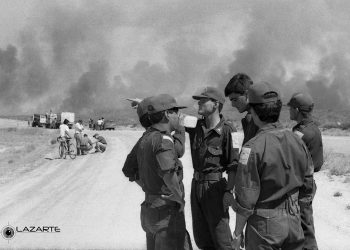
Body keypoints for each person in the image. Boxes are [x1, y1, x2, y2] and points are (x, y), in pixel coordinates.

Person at [232, 82, 315, 250]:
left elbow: (246, 199)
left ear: (254, 112)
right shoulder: (297, 141)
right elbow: (308, 184)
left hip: (265, 227)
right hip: (294, 221)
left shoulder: (252, 147)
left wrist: (237, 232)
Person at [134, 94, 192, 250]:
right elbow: (168, 173)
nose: (178, 115)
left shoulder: (145, 138)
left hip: (150, 210)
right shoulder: (163, 140)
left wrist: (150, 188)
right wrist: (178, 197)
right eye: (175, 111)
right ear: (167, 114)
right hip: (166, 214)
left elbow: (129, 170)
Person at [186, 86, 239, 250]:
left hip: (215, 188)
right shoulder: (195, 125)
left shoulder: (229, 130)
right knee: (202, 238)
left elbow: (233, 166)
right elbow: (170, 117)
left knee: (221, 238)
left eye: (203, 100)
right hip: (197, 186)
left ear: (216, 104)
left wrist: (229, 191)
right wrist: (144, 105)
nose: (198, 104)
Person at [288, 92, 323, 250]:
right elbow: (318, 163)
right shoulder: (314, 128)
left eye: (290, 108)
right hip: (308, 182)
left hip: (300, 185)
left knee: (303, 228)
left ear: (296, 109)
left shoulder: (299, 133)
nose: (289, 111)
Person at [224, 73, 259, 145]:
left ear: (247, 94)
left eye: (235, 99)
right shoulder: (248, 119)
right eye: (231, 100)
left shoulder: (262, 120)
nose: (233, 105)